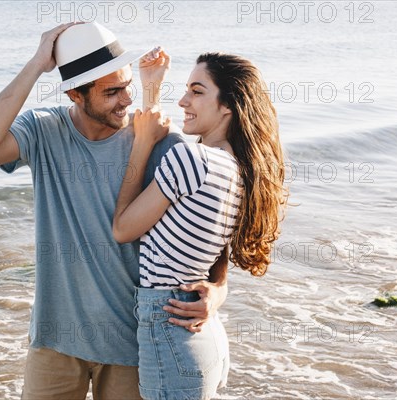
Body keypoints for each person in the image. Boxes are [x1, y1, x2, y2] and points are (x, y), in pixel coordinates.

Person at [0, 22, 229, 400]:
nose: (125, 100)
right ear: (76, 93)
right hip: (54, 342)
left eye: (127, 86)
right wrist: (38, 64)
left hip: (130, 345)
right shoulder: (43, 131)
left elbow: (211, 231)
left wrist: (218, 289)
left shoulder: (154, 140)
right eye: (112, 92)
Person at [113, 52, 287, 400]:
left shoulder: (192, 159)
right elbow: (207, 247)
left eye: (196, 91)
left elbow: (122, 228)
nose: (183, 101)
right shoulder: (240, 169)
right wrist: (151, 88)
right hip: (202, 335)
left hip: (171, 329)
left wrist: (142, 143)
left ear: (228, 105)